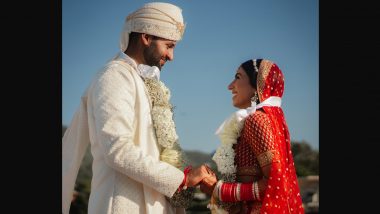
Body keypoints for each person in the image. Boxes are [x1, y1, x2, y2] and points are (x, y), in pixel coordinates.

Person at [62, 2, 213, 214]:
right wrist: (183, 178)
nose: (171, 56)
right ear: (146, 37)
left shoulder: (142, 82)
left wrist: (187, 175)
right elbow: (117, 149)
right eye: (169, 46)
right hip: (122, 206)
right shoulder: (114, 76)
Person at [200, 59, 304, 213]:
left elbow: (274, 183)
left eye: (238, 77)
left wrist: (220, 190)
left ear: (257, 87)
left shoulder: (256, 120)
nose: (230, 86)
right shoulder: (265, 120)